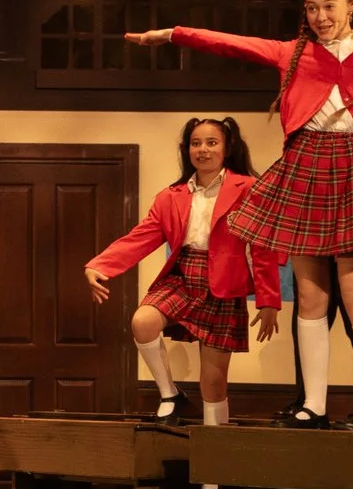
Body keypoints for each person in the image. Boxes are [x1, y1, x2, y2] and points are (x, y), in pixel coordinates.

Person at [128, 0, 353, 431]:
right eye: (311, 8)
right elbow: (232, 43)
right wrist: (174, 34)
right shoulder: (294, 52)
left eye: (329, 6)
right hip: (303, 167)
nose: (319, 16)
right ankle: (312, 405)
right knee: (311, 295)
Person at [83, 117, 282, 424]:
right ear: (187, 149)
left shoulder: (248, 189)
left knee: (214, 383)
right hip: (182, 275)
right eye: (195, 143)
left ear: (228, 148)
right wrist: (100, 265)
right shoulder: (171, 195)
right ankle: (171, 396)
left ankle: (215, 443)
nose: (203, 150)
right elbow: (142, 236)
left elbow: (263, 247)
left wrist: (269, 301)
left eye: (212, 143)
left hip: (224, 286)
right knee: (143, 322)